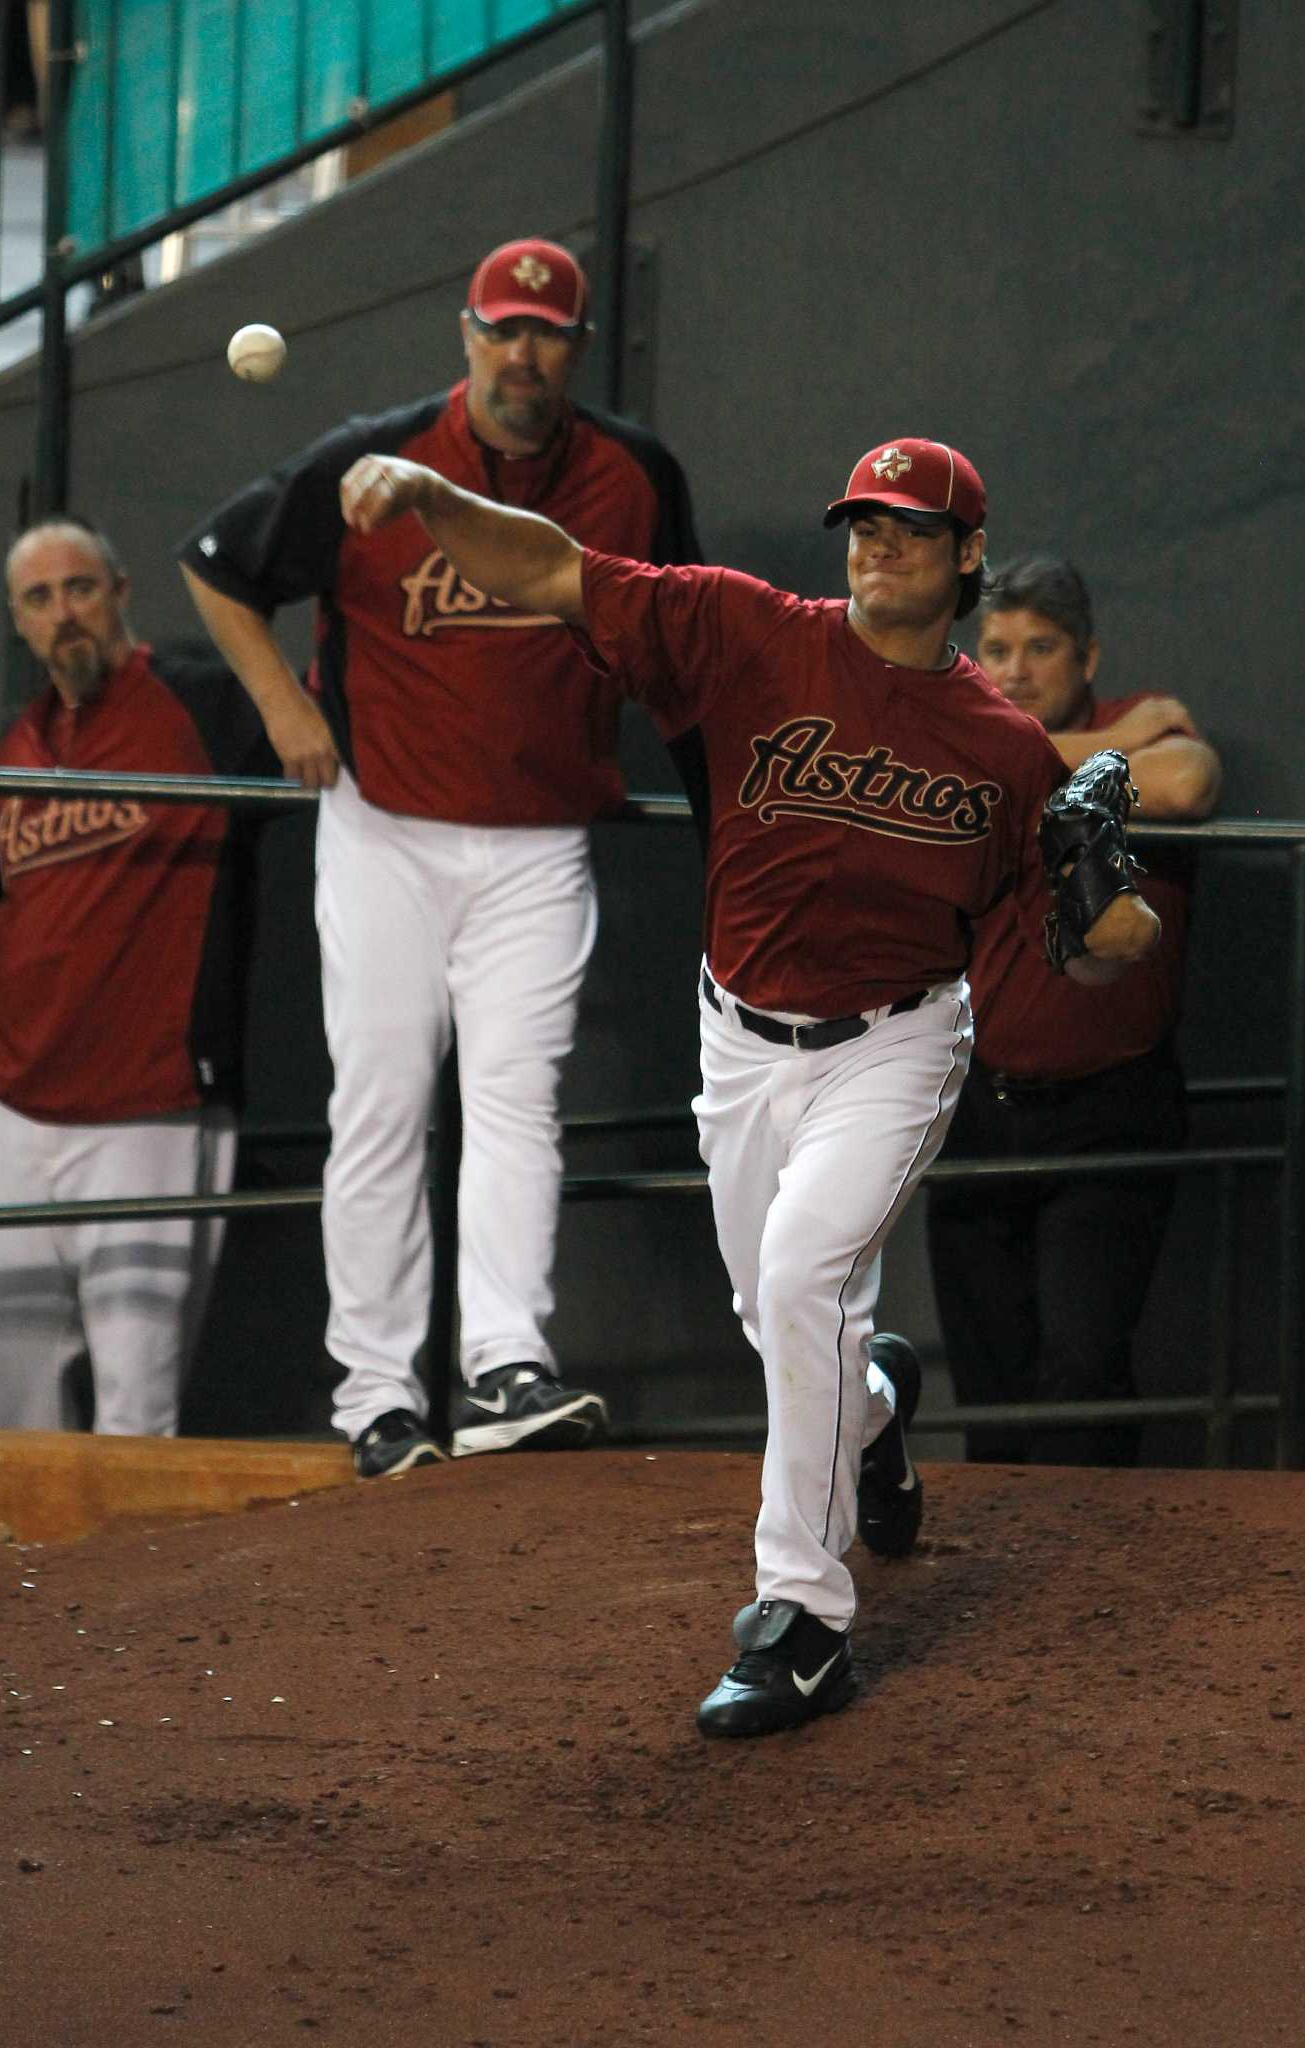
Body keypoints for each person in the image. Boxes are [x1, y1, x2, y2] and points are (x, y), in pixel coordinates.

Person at [328, 432, 1161, 1736]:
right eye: (863, 521)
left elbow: (1107, 950)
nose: (878, 543)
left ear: (968, 554)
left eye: (910, 526)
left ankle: (803, 1620)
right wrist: (436, 499)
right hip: (739, 1039)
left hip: (896, 1044)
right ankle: (874, 1416)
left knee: (800, 1280)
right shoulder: (742, 630)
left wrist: (1117, 909)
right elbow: (555, 571)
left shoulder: (1003, 749)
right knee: (783, 1322)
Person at [177, 238, 702, 1479]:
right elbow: (216, 565)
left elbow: (683, 618)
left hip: (540, 838)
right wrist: (286, 709)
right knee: (381, 1100)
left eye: (547, 333)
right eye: (502, 329)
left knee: (520, 1100)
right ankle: (375, 1392)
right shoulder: (378, 457)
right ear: (465, 334)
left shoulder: (632, 471)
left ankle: (506, 1361)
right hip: (388, 826)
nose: (523, 354)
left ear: (577, 347)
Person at [0, 519, 275, 1435]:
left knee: (138, 1401)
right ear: (19, 623)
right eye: (41, 600)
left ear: (122, 593)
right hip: (17, 1106)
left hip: (152, 1103)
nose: (65, 614)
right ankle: (35, 1585)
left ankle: (136, 1583)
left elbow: (319, 730)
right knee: (9, 1391)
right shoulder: (16, 745)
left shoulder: (200, 706)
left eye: (80, 589)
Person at [925, 555, 1222, 1466]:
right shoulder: (990, 737)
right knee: (991, 1386)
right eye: (996, 648)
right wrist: (1103, 749)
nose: (1013, 669)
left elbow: (1184, 783)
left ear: (1085, 657)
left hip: (1110, 1111)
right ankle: (1010, 1595)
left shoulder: (1135, 721)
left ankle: (1098, 1590)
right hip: (976, 1107)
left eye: (1039, 648)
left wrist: (1065, 749)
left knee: (1082, 1373)